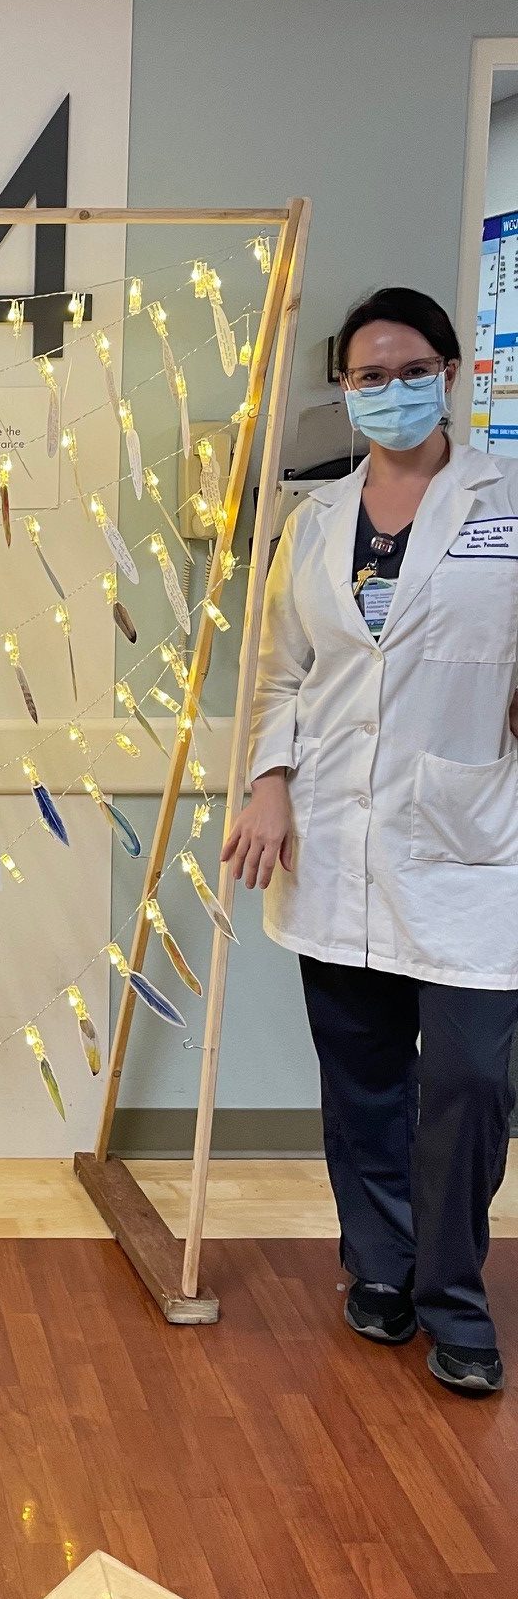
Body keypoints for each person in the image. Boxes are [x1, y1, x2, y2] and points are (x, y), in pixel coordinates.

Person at [224, 287, 518, 1397]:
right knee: (363, 1083)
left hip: (470, 844)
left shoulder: (505, 502)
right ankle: (382, 1269)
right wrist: (269, 783)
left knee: (472, 1084)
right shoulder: (314, 523)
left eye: (408, 371)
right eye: (366, 377)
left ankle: (455, 1295)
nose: (389, 391)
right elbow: (281, 673)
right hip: (336, 838)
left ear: (451, 373)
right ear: (344, 390)